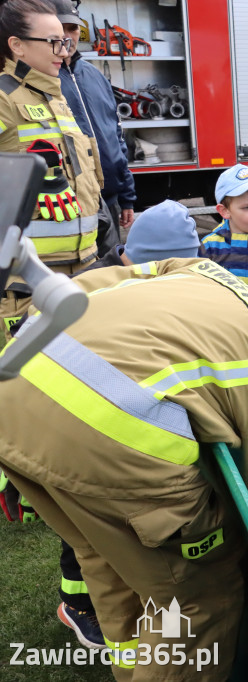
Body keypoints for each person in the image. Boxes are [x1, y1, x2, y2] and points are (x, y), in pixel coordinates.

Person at [0, 257, 248, 680]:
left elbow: (89, 283)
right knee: (200, 595)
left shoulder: (208, 273)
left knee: (104, 553)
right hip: (101, 433)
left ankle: (130, 667)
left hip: (16, 383)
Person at [0, 197, 201, 649]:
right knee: (82, 526)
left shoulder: (113, 280)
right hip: (48, 425)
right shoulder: (95, 293)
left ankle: (92, 601)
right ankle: (79, 608)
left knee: (91, 525)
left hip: (49, 416)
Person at [0, 0, 104, 338]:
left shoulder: (55, 96)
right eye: (54, 42)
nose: (66, 50)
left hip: (84, 270)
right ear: (17, 46)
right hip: (29, 282)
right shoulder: (4, 98)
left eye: (67, 41)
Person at [55, 0, 136, 255]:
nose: (68, 37)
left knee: (111, 276)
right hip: (73, 205)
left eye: (73, 29)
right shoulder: (42, 80)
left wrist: (126, 197)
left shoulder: (95, 76)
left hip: (109, 200)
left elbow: (116, 139)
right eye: (61, 29)